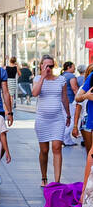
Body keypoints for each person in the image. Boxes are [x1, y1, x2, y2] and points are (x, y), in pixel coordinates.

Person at [32, 54, 72, 186]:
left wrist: (68, 115)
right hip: (42, 119)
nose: (48, 68)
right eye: (46, 65)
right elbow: (35, 93)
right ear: (41, 66)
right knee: (44, 150)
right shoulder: (38, 78)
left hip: (57, 119)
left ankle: (57, 181)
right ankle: (44, 177)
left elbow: (64, 98)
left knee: (57, 148)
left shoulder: (61, 80)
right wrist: (43, 77)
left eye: (50, 65)